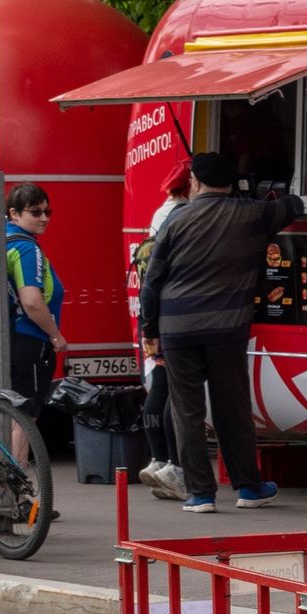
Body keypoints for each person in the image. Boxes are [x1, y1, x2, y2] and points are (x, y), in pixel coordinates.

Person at [139, 150, 301, 513]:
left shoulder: (176, 222)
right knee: (233, 409)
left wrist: (149, 329)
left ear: (194, 183)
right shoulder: (252, 214)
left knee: (187, 411)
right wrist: (256, 195)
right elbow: (295, 204)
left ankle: (200, 494)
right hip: (227, 330)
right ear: (232, 183)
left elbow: (152, 281)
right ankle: (248, 488)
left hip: (177, 328)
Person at [136, 166, 197, 499]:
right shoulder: (182, 215)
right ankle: (173, 464)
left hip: (151, 317)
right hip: (170, 315)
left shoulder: (161, 214)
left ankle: (158, 458)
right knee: (174, 392)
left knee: (158, 386)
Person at [2, 183, 67, 413]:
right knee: (25, 416)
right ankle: (17, 453)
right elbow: (31, 300)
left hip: (11, 339)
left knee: (13, 413)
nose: (44, 218)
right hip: (29, 340)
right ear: (14, 213)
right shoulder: (25, 247)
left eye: (46, 212)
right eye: (36, 212)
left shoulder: (3, 239)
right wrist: (55, 335)